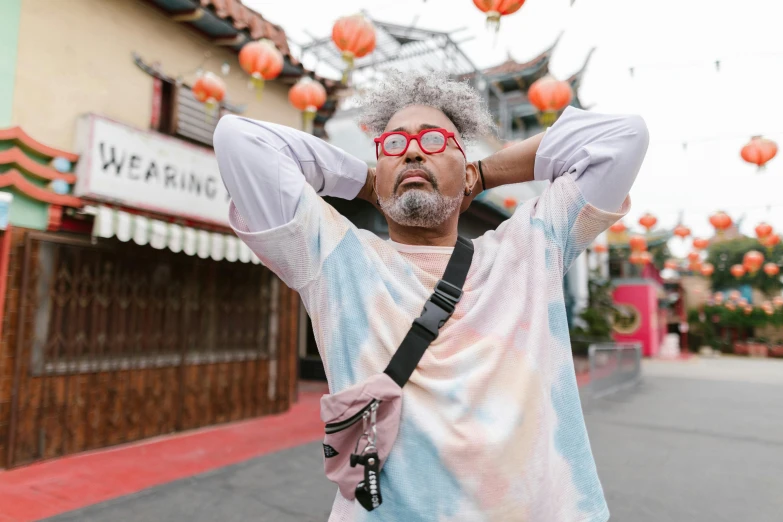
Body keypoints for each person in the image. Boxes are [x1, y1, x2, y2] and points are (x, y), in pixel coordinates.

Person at [214, 70, 648, 522]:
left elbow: (623, 136)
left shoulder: (531, 247)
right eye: (394, 145)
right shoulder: (333, 257)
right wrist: (368, 183)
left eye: (436, 141)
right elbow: (238, 139)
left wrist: (483, 173)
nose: (415, 150)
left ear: (465, 170)